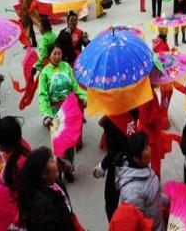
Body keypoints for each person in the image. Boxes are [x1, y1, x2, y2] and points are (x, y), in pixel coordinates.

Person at [38, 44, 87, 181]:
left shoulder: (67, 67)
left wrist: (84, 97)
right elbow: (43, 95)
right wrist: (46, 115)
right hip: (55, 113)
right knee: (58, 144)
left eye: (59, 53)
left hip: (69, 110)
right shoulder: (44, 73)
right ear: (49, 55)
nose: (57, 56)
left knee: (70, 143)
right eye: (54, 54)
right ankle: (58, 172)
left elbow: (76, 86)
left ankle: (69, 170)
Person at [18, 146, 83, 231]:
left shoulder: (56, 183)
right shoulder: (42, 207)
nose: (56, 161)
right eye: (52, 161)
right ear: (43, 174)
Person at [115, 131, 166, 231]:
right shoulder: (132, 192)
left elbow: (152, 197)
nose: (150, 149)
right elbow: (138, 224)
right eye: (146, 148)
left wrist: (169, 200)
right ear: (136, 158)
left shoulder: (141, 167)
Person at [94, 110, 139, 221]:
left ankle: (114, 225)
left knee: (111, 202)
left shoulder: (110, 120)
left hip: (117, 165)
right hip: (134, 161)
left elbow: (113, 151)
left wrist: (102, 166)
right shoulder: (134, 108)